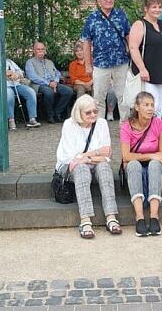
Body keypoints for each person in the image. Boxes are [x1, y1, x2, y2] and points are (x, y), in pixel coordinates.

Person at [55, 95, 120, 239]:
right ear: (79, 113)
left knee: (104, 167)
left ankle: (111, 217)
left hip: (94, 163)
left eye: (95, 111)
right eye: (88, 112)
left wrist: (87, 156)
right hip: (68, 166)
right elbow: (71, 158)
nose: (93, 115)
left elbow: (107, 156)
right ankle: (85, 220)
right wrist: (96, 153)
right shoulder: (69, 124)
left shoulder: (102, 123)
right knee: (82, 169)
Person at [120, 92, 162, 237]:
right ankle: (139, 217)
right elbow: (126, 156)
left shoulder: (161, 124)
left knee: (154, 164)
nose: (150, 108)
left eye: (152, 105)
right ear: (136, 107)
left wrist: (152, 158)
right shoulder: (126, 126)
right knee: (133, 165)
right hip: (135, 168)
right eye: (146, 105)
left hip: (157, 168)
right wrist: (150, 155)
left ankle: (154, 216)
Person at [81, 0, 131, 120]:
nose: (109, 0)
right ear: (99, 1)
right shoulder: (92, 18)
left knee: (124, 96)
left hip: (121, 63)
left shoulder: (121, 15)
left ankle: (125, 128)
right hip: (101, 64)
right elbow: (86, 42)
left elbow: (128, 36)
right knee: (98, 98)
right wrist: (88, 64)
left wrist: (133, 55)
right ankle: (99, 128)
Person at [128, 0, 162, 118]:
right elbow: (133, 48)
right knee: (149, 107)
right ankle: (145, 135)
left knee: (160, 106)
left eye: (159, 7)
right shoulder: (140, 25)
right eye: (154, 7)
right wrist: (142, 69)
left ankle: (155, 135)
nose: (157, 10)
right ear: (146, 8)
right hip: (148, 74)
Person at [0, 43, 42, 130]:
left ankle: (32, 119)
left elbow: (21, 72)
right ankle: (11, 120)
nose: (2, 52)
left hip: (15, 84)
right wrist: (4, 74)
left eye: (3, 51)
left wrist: (16, 75)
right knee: (8, 94)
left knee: (30, 92)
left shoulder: (9, 61)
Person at [25, 41, 74, 123]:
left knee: (68, 91)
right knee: (48, 92)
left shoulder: (49, 62)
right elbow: (33, 77)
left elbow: (57, 73)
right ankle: (50, 115)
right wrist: (49, 83)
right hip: (38, 84)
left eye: (42, 49)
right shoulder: (30, 62)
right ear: (34, 51)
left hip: (53, 83)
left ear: (45, 50)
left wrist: (55, 81)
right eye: (38, 49)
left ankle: (57, 113)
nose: (40, 51)